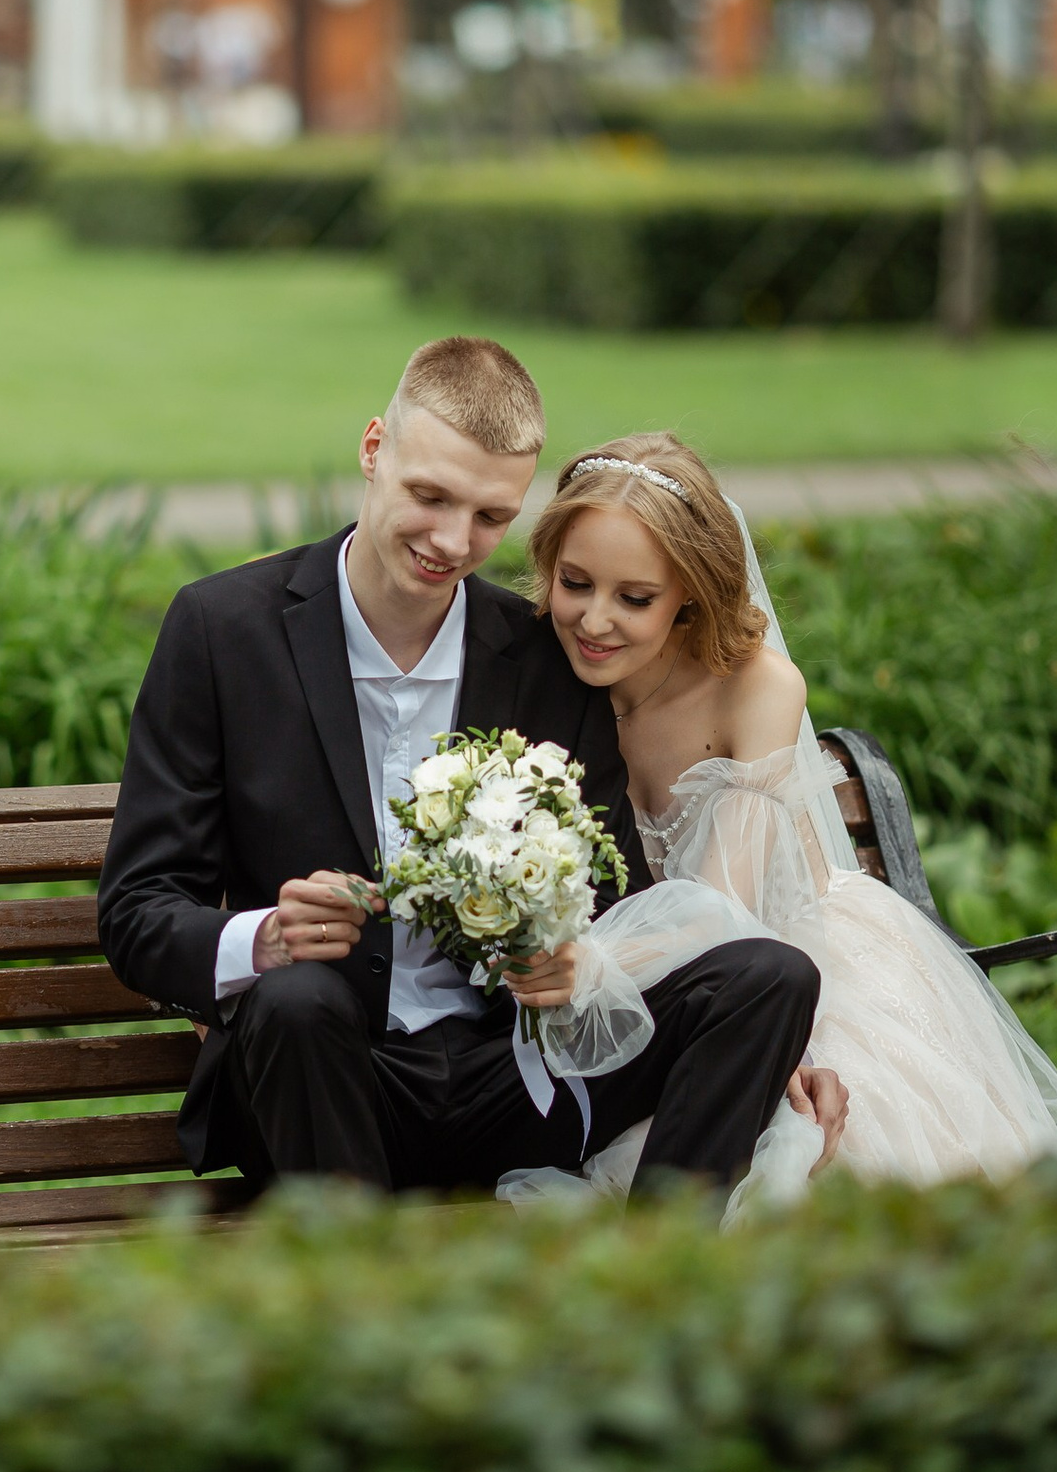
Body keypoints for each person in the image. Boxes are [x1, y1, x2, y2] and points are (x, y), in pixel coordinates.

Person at [96, 338, 848, 1198]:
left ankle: (659, 1278)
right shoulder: (221, 630)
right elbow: (136, 910)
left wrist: (574, 962)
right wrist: (260, 939)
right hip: (329, 1078)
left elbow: (617, 903)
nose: (454, 541)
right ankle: (359, 1298)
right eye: (430, 496)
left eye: (492, 516)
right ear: (374, 449)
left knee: (769, 977)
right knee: (293, 1000)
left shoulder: (545, 658)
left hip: (517, 1080)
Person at [500, 431, 1057, 1217]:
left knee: (814, 1149)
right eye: (574, 582)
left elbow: (723, 908)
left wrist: (595, 965)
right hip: (670, 986)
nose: (594, 620)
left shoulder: (755, 686)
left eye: (635, 598)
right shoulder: (541, 670)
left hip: (797, 957)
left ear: (690, 592)